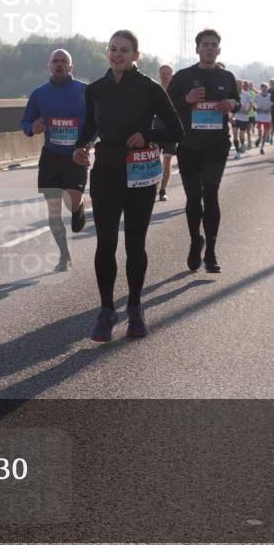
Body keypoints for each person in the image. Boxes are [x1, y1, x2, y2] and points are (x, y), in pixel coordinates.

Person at [73, 30, 182, 342]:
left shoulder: (149, 88)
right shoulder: (95, 89)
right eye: (113, 49)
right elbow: (90, 127)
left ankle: (135, 305)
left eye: (124, 50)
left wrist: (147, 135)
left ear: (136, 55)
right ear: (107, 53)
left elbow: (176, 130)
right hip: (106, 171)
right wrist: (81, 146)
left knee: (135, 244)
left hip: (140, 174)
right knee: (105, 243)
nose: (117, 55)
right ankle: (107, 310)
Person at [166, 29, 240, 274]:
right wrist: (186, 99)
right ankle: (195, 241)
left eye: (214, 45)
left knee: (211, 193)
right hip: (189, 146)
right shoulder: (184, 77)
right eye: (205, 44)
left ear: (219, 50)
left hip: (216, 145)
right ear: (197, 49)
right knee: (193, 197)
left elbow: (236, 103)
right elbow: (167, 108)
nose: (209, 48)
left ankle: (211, 252)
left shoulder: (227, 77)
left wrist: (232, 104)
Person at [21, 49, 89, 271]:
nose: (59, 65)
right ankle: (64, 255)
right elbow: (25, 122)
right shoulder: (39, 94)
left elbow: (96, 122)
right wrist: (33, 127)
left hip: (75, 156)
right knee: (53, 211)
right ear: (48, 66)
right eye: (55, 61)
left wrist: (88, 144)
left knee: (71, 203)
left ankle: (79, 207)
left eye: (64, 61)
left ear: (71, 67)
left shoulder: (83, 91)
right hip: (50, 157)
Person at [156, 63, 178, 200]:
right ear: (159, 75)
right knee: (154, 160)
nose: (165, 75)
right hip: (155, 129)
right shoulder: (154, 88)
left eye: (167, 73)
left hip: (170, 130)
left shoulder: (177, 91)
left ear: (172, 75)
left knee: (167, 161)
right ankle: (154, 187)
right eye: (162, 73)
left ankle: (163, 190)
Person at [232, 79, 254, 159]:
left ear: (242, 85)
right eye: (237, 84)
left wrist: (248, 111)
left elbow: (251, 103)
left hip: (244, 118)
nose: (239, 86)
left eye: (240, 84)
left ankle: (243, 144)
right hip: (235, 117)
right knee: (235, 136)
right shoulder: (232, 93)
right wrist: (231, 116)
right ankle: (238, 152)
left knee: (241, 136)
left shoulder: (247, 94)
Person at [252, 82, 273, 155]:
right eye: (263, 88)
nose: (264, 89)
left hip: (267, 118)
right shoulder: (257, 96)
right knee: (260, 133)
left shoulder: (270, 96)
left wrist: (269, 110)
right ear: (261, 88)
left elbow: (273, 105)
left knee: (265, 134)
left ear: (267, 89)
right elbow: (252, 103)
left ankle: (262, 148)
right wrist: (255, 109)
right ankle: (259, 138)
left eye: (265, 88)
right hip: (259, 117)